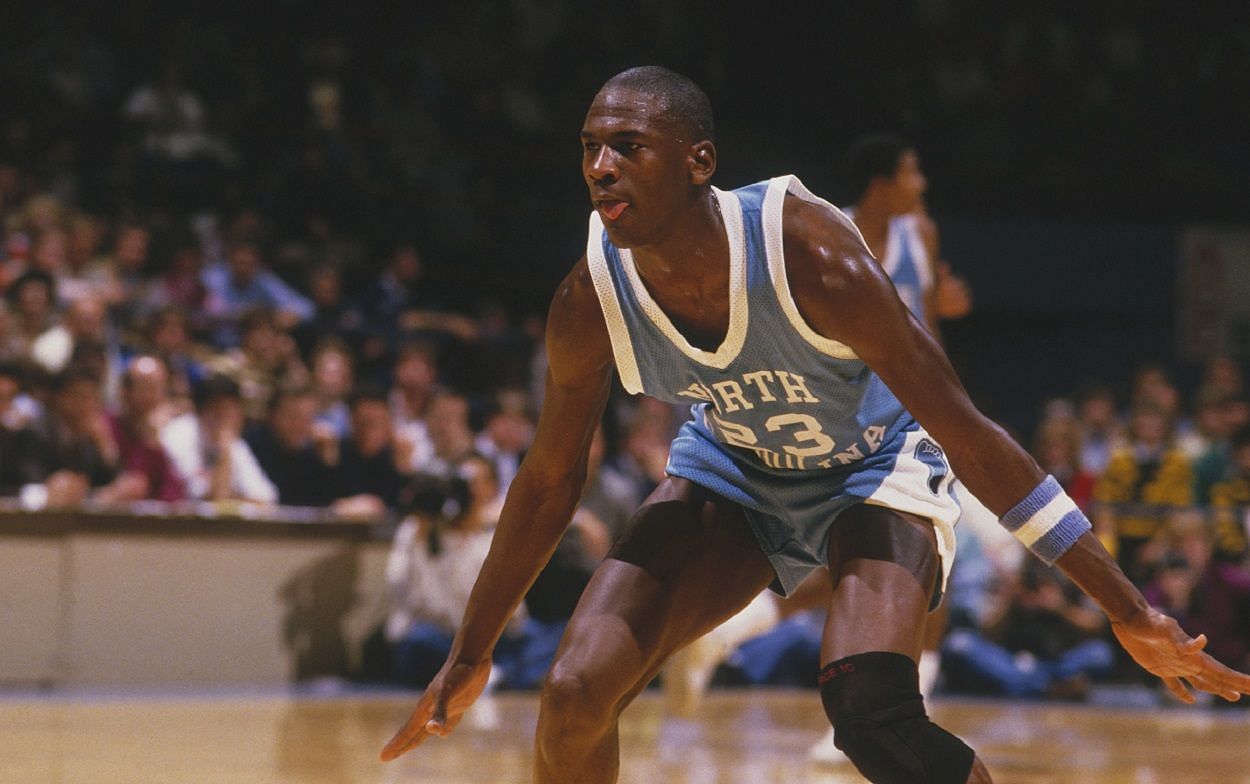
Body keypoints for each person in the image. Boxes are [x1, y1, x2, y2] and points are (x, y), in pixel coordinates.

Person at [380, 67, 1250, 784]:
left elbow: (968, 429)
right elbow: (547, 480)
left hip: (877, 469)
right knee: (572, 691)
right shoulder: (590, 295)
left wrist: (1129, 610)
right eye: (590, 149)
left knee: (869, 709)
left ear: (697, 161)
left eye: (628, 147)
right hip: (734, 471)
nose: (601, 166)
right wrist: (470, 651)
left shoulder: (812, 255)